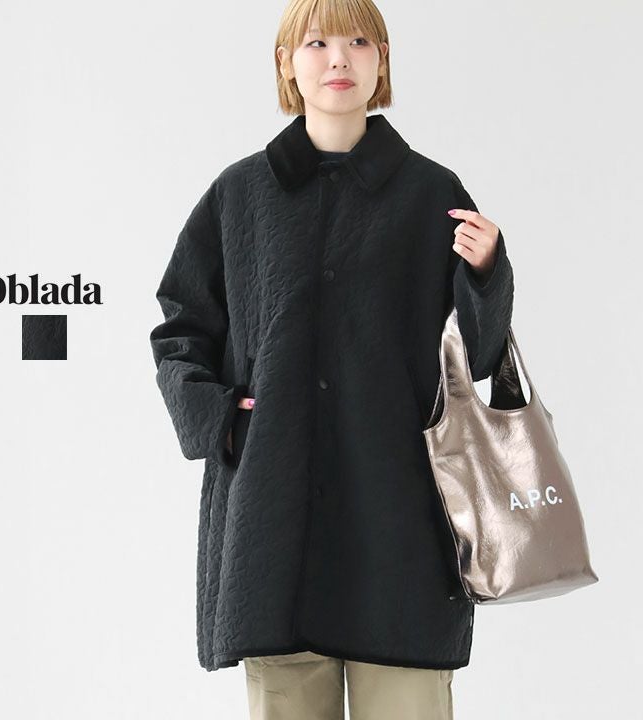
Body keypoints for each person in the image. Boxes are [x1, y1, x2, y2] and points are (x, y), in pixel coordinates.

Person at [149, 0, 514, 717]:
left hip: (399, 520)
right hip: (274, 521)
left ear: (382, 61)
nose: (338, 58)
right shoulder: (239, 195)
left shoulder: (431, 194)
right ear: (286, 63)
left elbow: (478, 356)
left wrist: (485, 274)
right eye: (316, 42)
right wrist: (222, 419)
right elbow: (181, 328)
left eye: (358, 41)